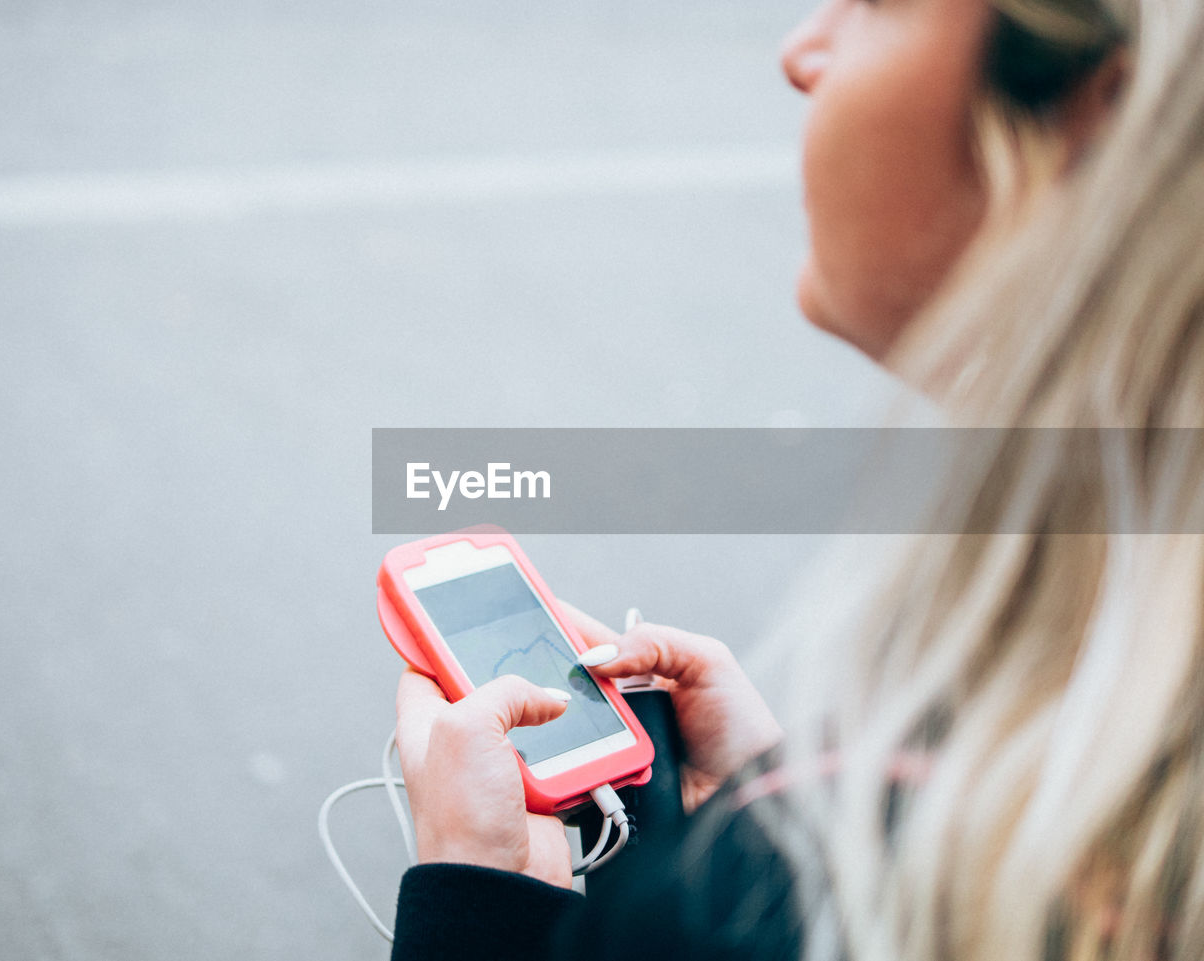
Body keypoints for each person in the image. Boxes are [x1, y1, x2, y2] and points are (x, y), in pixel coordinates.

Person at [390, 0, 1204, 958]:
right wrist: (778, 799)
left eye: (879, 3)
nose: (803, 50)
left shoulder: (846, 895)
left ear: (1095, 112)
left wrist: (479, 903)